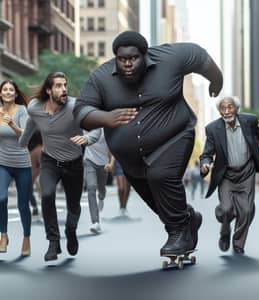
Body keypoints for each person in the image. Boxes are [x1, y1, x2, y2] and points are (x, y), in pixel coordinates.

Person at [73, 31, 223, 256]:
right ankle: (188, 218)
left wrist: (216, 79)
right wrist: (107, 117)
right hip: (131, 158)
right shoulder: (101, 77)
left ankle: (177, 235)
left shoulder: (169, 58)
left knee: (160, 176)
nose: (127, 64)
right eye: (122, 59)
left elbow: (199, 55)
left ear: (145, 55)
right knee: (157, 201)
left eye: (133, 58)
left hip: (174, 136)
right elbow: (81, 111)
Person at [19, 72, 104, 261]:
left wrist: (87, 138)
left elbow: (97, 127)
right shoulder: (35, 107)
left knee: (73, 206)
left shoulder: (75, 107)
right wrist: (23, 140)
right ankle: (53, 241)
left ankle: (71, 230)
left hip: (73, 163)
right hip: (49, 160)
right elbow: (33, 120)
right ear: (49, 90)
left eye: (65, 85)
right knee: (46, 194)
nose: (64, 89)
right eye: (58, 86)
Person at [200, 96, 259, 254]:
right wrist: (205, 164)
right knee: (226, 209)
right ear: (219, 111)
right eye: (223, 108)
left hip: (247, 171)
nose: (227, 111)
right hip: (226, 175)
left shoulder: (249, 121)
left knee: (247, 211)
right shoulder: (213, 129)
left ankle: (238, 243)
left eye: (230, 107)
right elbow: (207, 153)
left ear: (237, 108)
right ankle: (225, 230)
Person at [0, 80, 32, 256]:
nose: (7, 92)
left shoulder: (22, 110)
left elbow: (25, 136)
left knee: (23, 205)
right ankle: (3, 236)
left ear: (15, 93)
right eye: (4, 89)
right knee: (1, 198)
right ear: (0, 93)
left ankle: (26, 238)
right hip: (2, 163)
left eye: (11, 90)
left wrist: (11, 123)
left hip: (22, 164)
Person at [83, 128, 109, 233]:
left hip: (103, 163)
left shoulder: (106, 127)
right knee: (91, 187)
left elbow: (112, 146)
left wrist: (111, 162)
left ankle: (101, 197)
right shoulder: (85, 123)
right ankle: (95, 222)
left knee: (101, 189)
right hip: (89, 161)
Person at [28, 130, 43, 216]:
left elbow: (41, 165)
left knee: (29, 193)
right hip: (32, 176)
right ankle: (35, 207)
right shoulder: (39, 149)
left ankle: (35, 207)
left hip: (32, 176)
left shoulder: (35, 150)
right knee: (29, 193)